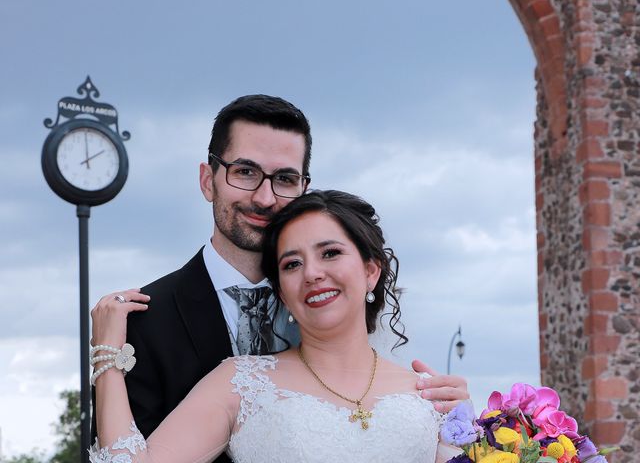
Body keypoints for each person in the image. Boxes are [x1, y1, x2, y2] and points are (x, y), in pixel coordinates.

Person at [91, 95, 468, 462]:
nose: (266, 197)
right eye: (245, 172)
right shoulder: (141, 323)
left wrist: (469, 425)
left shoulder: (419, 396)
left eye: (284, 178)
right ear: (209, 180)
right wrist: (107, 358)